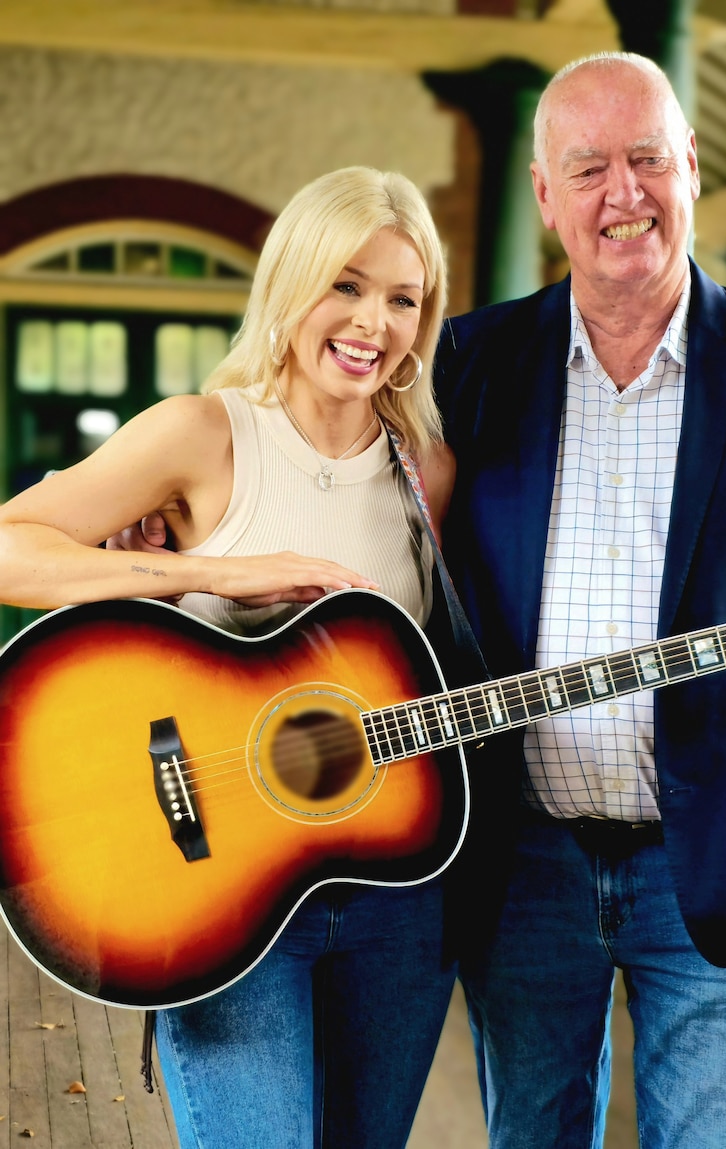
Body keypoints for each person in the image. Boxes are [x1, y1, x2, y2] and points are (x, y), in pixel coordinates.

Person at [434, 52, 726, 1149]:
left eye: (645, 160)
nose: (622, 194)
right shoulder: (472, 365)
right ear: (544, 194)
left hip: (714, 867)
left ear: (691, 170)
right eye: (588, 168)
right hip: (522, 862)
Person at [0, 166, 459, 1148]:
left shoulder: (428, 475)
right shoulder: (202, 436)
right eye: (346, 284)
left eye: (401, 298)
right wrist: (212, 573)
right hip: (217, 893)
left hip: (392, 905)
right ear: (293, 283)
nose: (371, 322)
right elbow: (11, 546)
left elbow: (424, 670)